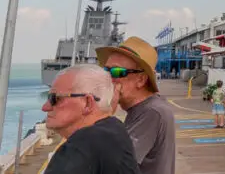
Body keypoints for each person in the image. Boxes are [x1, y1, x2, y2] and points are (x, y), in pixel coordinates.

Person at [98, 36, 177, 174]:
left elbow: (110, 165)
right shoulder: (141, 110)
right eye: (106, 70)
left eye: (117, 72)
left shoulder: (152, 112)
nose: (108, 78)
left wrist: (105, 114)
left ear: (141, 80)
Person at [42, 65, 140, 174]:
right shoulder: (115, 129)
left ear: (87, 103)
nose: (45, 107)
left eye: (55, 98)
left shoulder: (80, 146)